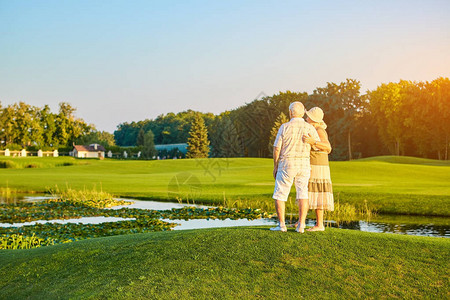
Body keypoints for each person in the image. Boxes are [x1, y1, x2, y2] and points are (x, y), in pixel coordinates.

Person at [271, 102, 320, 233]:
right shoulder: (309, 128)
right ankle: (301, 226)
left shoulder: (284, 127)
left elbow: (276, 148)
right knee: (302, 193)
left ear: (290, 112)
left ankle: (281, 225)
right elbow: (317, 145)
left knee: (280, 194)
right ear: (303, 112)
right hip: (304, 164)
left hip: (287, 164)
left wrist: (275, 166)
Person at [302, 107, 334, 231]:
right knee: (309, 192)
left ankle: (319, 224)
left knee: (318, 193)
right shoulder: (312, 129)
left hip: (319, 166)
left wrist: (312, 142)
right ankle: (301, 221)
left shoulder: (319, 129)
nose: (306, 118)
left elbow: (328, 147)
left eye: (308, 116)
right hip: (313, 165)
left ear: (313, 119)